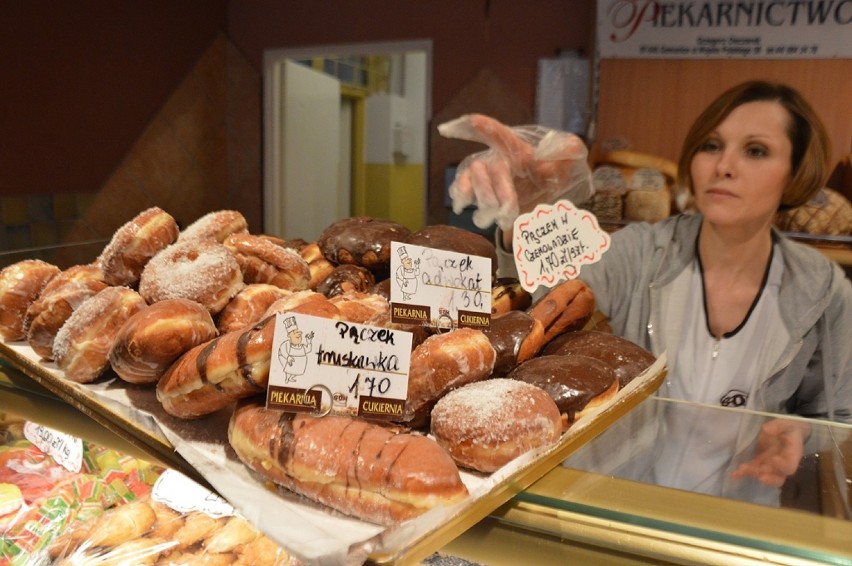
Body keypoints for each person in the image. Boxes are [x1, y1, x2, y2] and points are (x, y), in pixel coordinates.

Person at [440, 81, 852, 495]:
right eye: (711, 145)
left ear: (796, 171)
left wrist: (802, 438)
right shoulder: (644, 251)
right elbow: (555, 300)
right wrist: (528, 218)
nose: (724, 165)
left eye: (755, 150)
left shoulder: (822, 290)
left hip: (740, 521)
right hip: (625, 502)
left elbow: (839, 415)